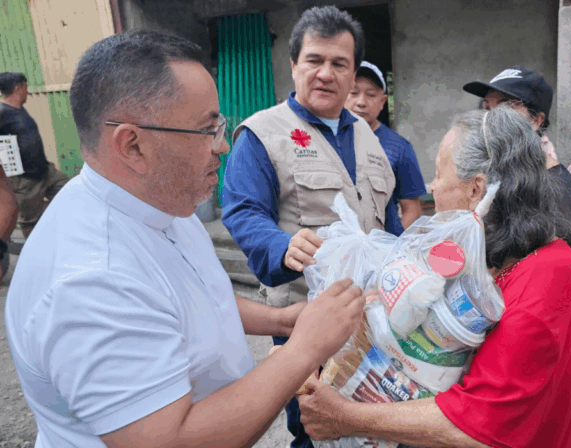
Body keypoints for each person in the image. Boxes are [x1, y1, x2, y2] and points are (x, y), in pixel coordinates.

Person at [4, 30, 365, 448]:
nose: (223, 145)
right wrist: (302, 349)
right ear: (133, 145)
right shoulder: (93, 280)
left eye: (220, 125)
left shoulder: (159, 201)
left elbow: (193, 297)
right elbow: (170, 440)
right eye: (207, 130)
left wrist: (283, 320)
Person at [298, 106, 571, 448]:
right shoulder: (491, 256)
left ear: (475, 190)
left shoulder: (547, 278)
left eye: (439, 173)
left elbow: (476, 426)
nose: (433, 187)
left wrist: (344, 416)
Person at [220, 6, 395, 448]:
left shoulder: (369, 137)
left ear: (353, 74)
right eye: (314, 60)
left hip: (375, 321)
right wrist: (280, 246)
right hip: (305, 323)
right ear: (294, 64)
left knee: (374, 425)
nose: (325, 73)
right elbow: (242, 211)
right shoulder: (263, 134)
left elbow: (387, 221)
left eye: (339, 63)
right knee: (316, 429)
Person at [463, 66, 571, 252]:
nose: (490, 119)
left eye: (505, 107)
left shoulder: (557, 187)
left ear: (535, 121)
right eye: (487, 108)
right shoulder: (488, 173)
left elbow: (563, 266)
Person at [345, 61, 427, 235]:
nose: (361, 102)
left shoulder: (399, 146)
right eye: (353, 93)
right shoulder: (328, 139)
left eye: (371, 95)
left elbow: (412, 208)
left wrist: (392, 247)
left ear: (383, 102)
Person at [0, 72, 69, 238]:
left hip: (46, 171)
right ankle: (35, 253)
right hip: (26, 180)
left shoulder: (19, 110)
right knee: (31, 220)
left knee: (69, 191)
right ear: (18, 88)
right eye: (25, 87)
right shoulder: (3, 112)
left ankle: (60, 229)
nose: (28, 92)